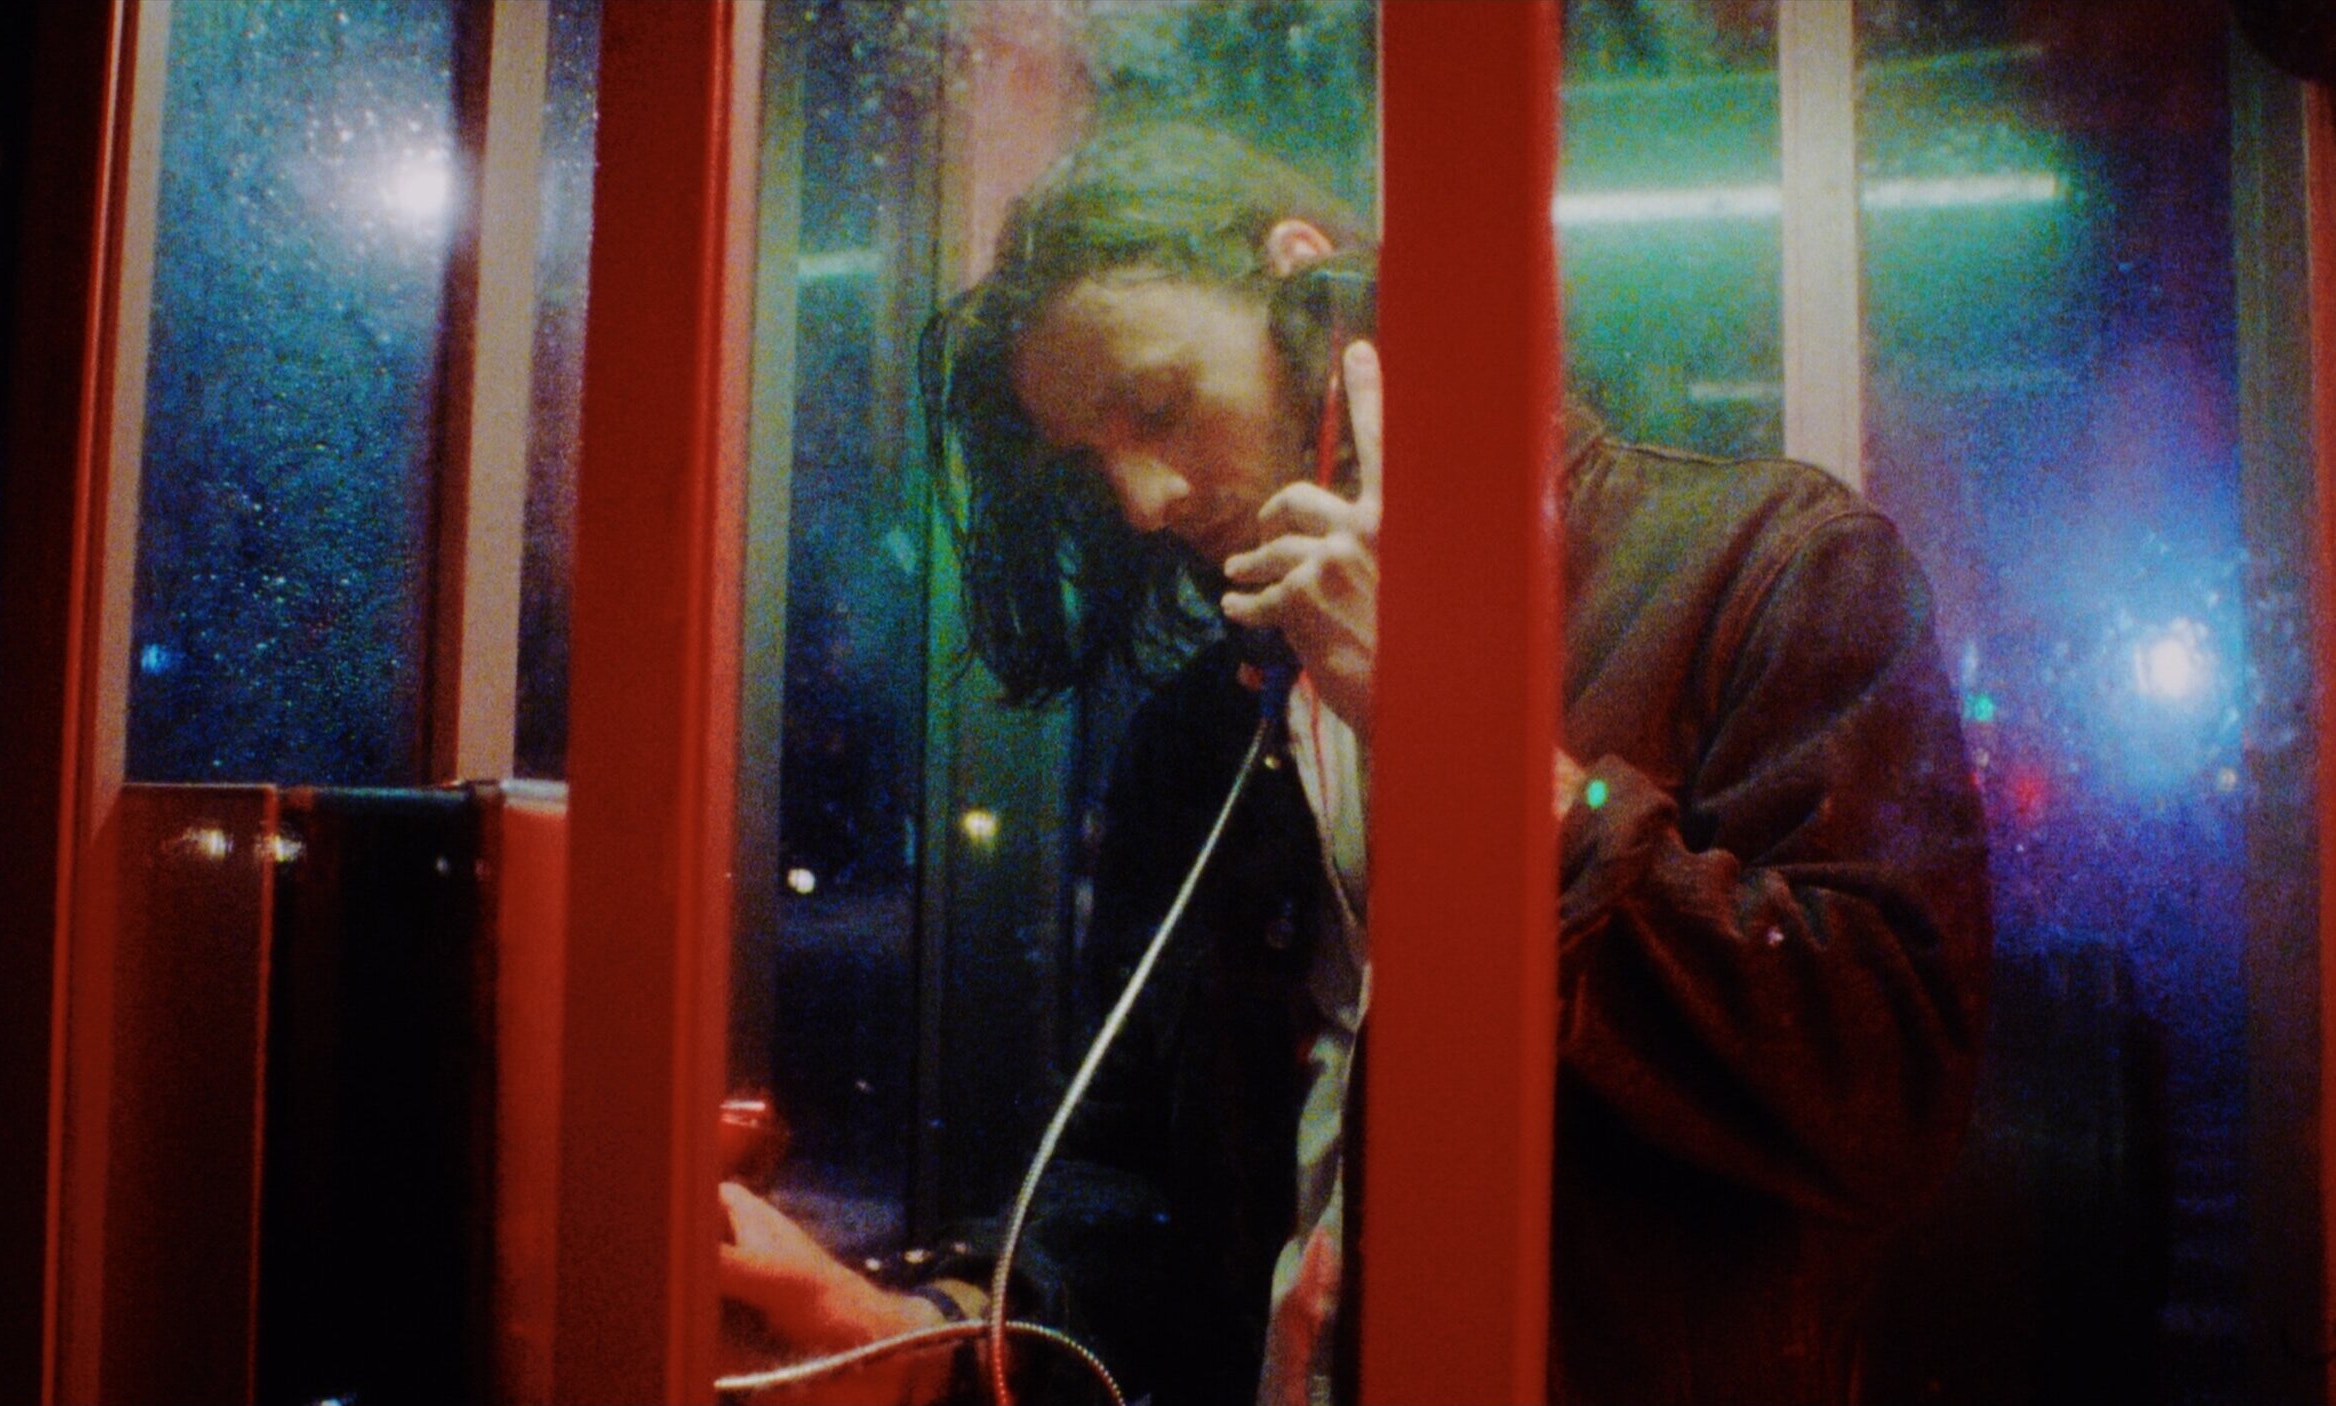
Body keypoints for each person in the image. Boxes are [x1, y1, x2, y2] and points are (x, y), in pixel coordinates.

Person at [719, 124, 1991, 1406]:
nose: (1145, 498)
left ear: (1316, 302)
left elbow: (1879, 1085)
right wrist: (921, 1333)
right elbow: (1138, 1180)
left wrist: (1463, 737)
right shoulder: (1210, 726)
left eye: (1159, 407)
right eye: (1093, 462)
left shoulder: (1763, 564)